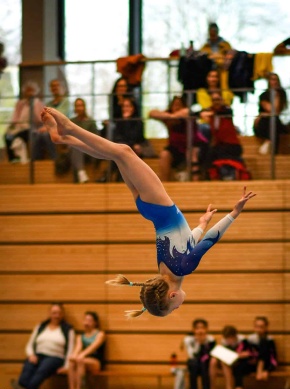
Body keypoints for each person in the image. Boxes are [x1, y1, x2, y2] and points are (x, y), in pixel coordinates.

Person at [41, 106, 256, 318]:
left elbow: (209, 241)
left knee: (123, 151)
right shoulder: (166, 271)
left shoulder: (183, 269)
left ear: (171, 296)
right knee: (117, 156)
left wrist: (233, 214)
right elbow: (187, 243)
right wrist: (202, 223)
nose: (178, 307)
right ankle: (65, 140)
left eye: (174, 308)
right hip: (148, 209)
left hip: (160, 207)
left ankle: (70, 128)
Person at [11, 303, 75, 389]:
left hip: (55, 357)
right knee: (27, 369)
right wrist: (31, 355)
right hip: (38, 355)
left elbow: (70, 349)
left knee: (42, 370)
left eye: (59, 313)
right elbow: (30, 344)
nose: (57, 316)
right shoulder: (40, 327)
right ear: (49, 313)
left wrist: (67, 366)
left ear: (62, 314)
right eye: (54, 313)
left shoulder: (68, 329)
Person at [149, 96, 207, 181]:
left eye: (179, 105)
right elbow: (152, 113)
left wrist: (173, 116)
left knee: (192, 154)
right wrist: (170, 116)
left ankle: (195, 182)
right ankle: (164, 185)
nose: (177, 107)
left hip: (193, 145)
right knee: (164, 155)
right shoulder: (169, 116)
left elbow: (186, 112)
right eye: (175, 105)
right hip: (175, 148)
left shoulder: (189, 113)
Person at [210, 325, 253, 389]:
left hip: (241, 363)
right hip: (229, 363)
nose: (229, 340)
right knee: (216, 361)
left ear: (235, 336)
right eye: (227, 338)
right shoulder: (224, 342)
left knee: (235, 368)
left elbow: (250, 353)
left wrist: (239, 355)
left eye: (230, 338)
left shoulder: (243, 341)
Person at [4, 81, 44, 163]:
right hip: (19, 128)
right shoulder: (20, 104)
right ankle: (13, 159)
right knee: (7, 136)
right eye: (27, 90)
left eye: (31, 90)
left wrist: (32, 105)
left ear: (35, 92)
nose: (29, 93)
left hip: (32, 129)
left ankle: (25, 159)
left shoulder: (38, 103)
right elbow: (15, 118)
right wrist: (10, 127)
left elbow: (39, 120)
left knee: (23, 134)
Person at [32, 78, 70, 161]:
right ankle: (35, 162)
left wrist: (47, 127)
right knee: (37, 134)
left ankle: (55, 159)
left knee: (46, 135)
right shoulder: (49, 103)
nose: (55, 88)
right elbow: (45, 117)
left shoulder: (66, 102)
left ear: (62, 87)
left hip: (62, 128)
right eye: (52, 86)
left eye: (57, 85)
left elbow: (60, 116)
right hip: (50, 127)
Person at [68, 311, 105, 389]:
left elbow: (93, 347)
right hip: (82, 360)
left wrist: (82, 355)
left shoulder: (100, 334)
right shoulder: (80, 337)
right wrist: (74, 356)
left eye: (89, 321)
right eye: (85, 320)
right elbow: (77, 348)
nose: (87, 323)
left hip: (96, 362)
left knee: (80, 360)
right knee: (72, 361)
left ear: (95, 323)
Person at [253, 73, 288, 155]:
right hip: (263, 123)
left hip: (274, 121)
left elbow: (275, 111)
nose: (274, 82)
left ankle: (268, 142)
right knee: (272, 121)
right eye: (272, 79)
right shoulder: (263, 95)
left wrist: (276, 95)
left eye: (276, 80)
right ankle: (270, 145)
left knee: (274, 121)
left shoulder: (281, 94)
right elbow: (270, 109)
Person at [182, 318, 216, 389]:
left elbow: (211, 355)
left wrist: (204, 343)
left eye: (202, 328)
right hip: (194, 362)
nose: (200, 331)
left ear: (206, 329)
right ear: (193, 330)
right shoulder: (188, 340)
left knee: (204, 365)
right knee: (193, 364)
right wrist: (199, 343)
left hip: (206, 363)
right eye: (197, 328)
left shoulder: (211, 339)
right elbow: (191, 355)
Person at [70, 98, 100, 183]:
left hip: (89, 150)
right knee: (76, 147)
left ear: (84, 107)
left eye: (81, 105)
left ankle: (80, 173)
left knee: (78, 146)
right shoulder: (71, 121)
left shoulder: (90, 122)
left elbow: (97, 138)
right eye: (77, 106)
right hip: (74, 150)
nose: (79, 108)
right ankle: (81, 172)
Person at [247, 316, 278, 381]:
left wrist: (267, 371)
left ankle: (260, 369)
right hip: (254, 364)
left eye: (261, 327)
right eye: (257, 327)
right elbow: (249, 353)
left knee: (263, 341)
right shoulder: (250, 339)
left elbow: (274, 360)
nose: (259, 329)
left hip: (266, 365)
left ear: (266, 328)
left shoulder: (269, 340)